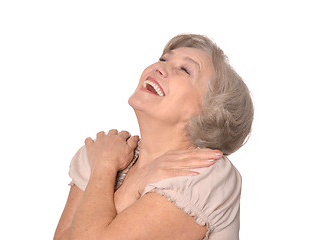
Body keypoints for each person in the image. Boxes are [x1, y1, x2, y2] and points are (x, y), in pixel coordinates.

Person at [54, 34, 254, 240]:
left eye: (185, 70)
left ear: (211, 111)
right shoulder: (104, 152)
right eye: (163, 59)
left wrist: (107, 170)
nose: (158, 67)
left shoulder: (204, 172)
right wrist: (118, 175)